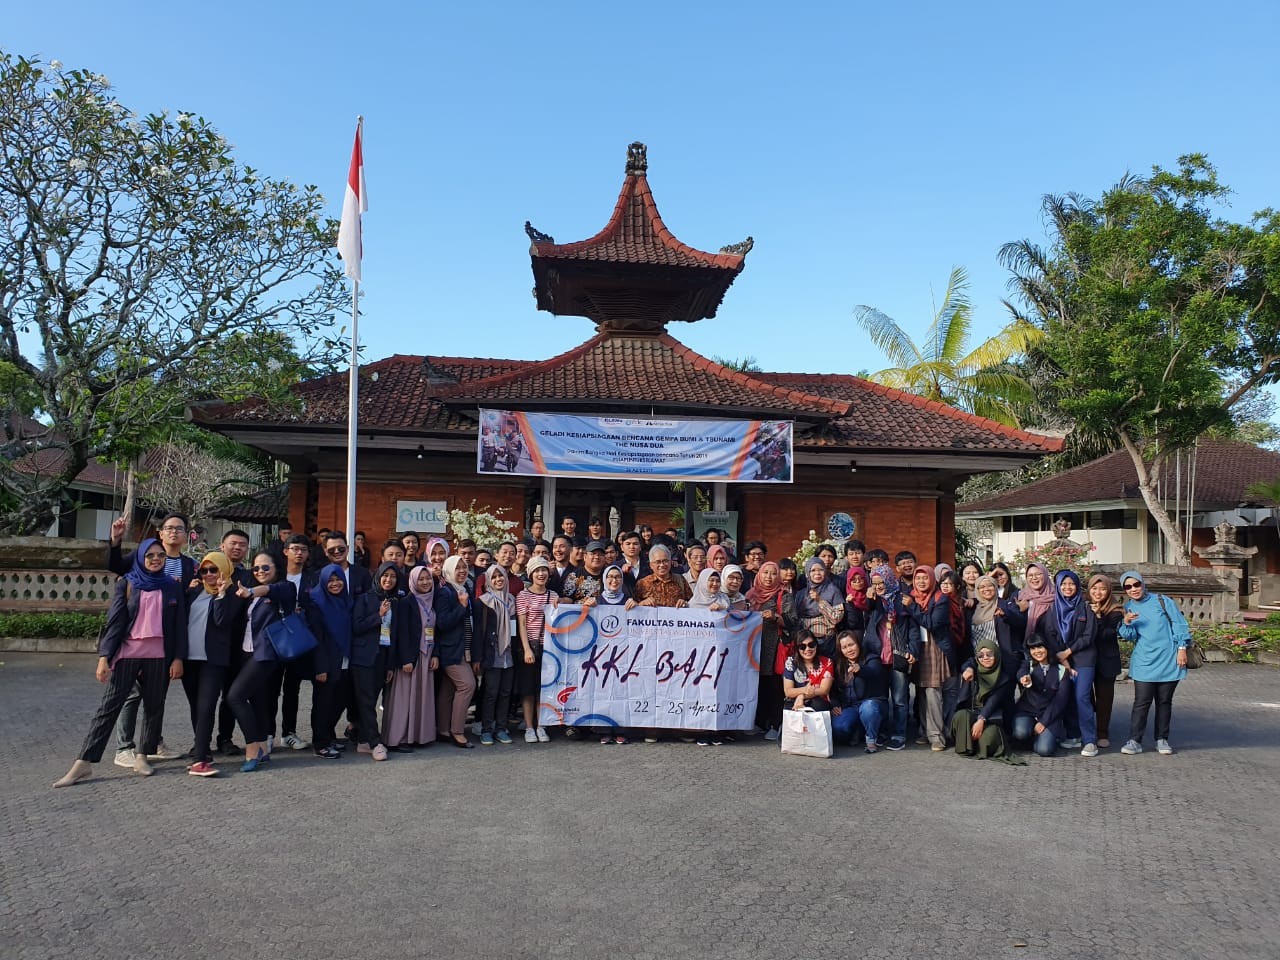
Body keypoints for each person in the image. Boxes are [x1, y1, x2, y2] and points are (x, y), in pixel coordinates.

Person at [54, 539, 187, 787]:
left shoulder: (171, 586)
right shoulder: (128, 583)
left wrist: (178, 657)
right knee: (109, 707)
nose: (156, 559)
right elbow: (115, 621)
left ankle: (142, 756)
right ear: (140, 558)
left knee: (154, 706)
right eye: (150, 556)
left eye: (160, 556)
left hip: (159, 655)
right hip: (128, 652)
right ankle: (84, 762)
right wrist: (104, 658)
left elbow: (179, 625)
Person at [104, 514, 193, 767]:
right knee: (131, 694)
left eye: (179, 528)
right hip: (135, 638)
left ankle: (151, 743)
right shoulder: (145, 555)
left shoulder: (190, 565)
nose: (174, 532)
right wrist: (115, 541)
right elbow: (115, 567)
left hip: (163, 640)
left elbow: (183, 602)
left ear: (186, 535)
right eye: (169, 528)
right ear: (160, 533)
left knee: (156, 697)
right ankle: (124, 747)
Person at [224, 552, 297, 772]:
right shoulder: (250, 594)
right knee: (258, 701)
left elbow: (270, 590)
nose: (260, 572)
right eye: (256, 569)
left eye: (266, 568)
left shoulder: (285, 588)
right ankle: (264, 749)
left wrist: (251, 591)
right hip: (245, 653)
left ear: (277, 568)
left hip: (265, 654)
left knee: (235, 697)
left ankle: (252, 747)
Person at [1118, 571, 1189, 756]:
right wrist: (1125, 623)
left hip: (1169, 658)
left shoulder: (1161, 600)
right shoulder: (1128, 607)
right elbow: (1131, 636)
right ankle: (1134, 740)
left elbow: (1179, 624)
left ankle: (1162, 739)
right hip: (1144, 660)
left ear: (1142, 584)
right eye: (1128, 587)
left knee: (1164, 701)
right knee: (1141, 702)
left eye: (1136, 585)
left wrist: (1182, 648)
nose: (1133, 589)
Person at [181, 551, 238, 777]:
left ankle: (200, 760)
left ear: (224, 570)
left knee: (206, 708)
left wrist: (222, 593)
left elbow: (221, 621)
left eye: (213, 569)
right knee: (196, 707)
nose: (208, 575)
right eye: (204, 570)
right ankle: (202, 749)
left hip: (213, 661)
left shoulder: (233, 594)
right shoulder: (194, 591)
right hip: (189, 659)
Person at [1035, 570, 1098, 756]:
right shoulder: (1053, 609)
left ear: (1077, 586)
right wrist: (1062, 657)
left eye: (1071, 584)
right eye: (1063, 584)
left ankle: (1089, 741)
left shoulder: (1086, 607)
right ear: (1058, 587)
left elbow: (1089, 635)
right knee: (1067, 695)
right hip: (1062, 658)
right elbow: (1050, 635)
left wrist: (1068, 652)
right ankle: (1073, 734)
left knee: (1081, 697)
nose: (1067, 588)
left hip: (1083, 658)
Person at [382, 565, 438, 752]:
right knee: (404, 699)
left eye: (428, 578)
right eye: (420, 579)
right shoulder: (406, 602)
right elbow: (401, 632)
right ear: (413, 581)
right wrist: (406, 659)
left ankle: (418, 735)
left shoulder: (432, 600)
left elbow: (437, 630)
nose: (425, 582)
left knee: (421, 697)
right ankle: (398, 738)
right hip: (411, 658)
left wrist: (435, 653)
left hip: (427, 654)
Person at [863, 564, 920, 751]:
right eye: (875, 583)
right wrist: (869, 598)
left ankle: (899, 735)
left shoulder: (901, 600)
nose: (878, 587)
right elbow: (862, 612)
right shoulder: (874, 601)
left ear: (889, 580)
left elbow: (913, 628)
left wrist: (913, 649)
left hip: (898, 655)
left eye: (881, 583)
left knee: (899, 700)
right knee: (880, 697)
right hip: (878, 657)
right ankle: (883, 731)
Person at [347, 563, 397, 761]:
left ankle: (363, 740)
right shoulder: (365, 599)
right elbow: (356, 626)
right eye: (385, 576)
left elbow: (394, 636)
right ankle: (376, 743)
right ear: (377, 577)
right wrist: (379, 616)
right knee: (367, 701)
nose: (389, 580)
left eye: (393, 576)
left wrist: (390, 664)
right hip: (363, 657)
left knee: (371, 699)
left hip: (382, 657)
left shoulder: (394, 601)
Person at [303, 564, 353, 759]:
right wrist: (320, 667)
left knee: (338, 701)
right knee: (323, 704)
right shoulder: (317, 603)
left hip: (343, 659)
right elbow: (317, 639)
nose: (335, 584)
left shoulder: (345, 601)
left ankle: (329, 737)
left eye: (338, 579)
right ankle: (320, 744)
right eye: (330, 580)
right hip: (325, 661)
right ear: (323, 581)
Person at [906, 565, 953, 752]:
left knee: (933, 692)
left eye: (925, 578)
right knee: (921, 690)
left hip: (934, 647)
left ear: (933, 579)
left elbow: (931, 623)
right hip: (918, 648)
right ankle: (924, 731)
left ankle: (937, 737)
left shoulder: (940, 598)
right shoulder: (911, 595)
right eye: (918, 578)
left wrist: (912, 608)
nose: (921, 582)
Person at [436, 555, 478, 748]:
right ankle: (457, 731)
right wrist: (461, 607)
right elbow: (442, 623)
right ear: (448, 570)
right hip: (451, 650)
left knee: (449, 689)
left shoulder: (464, 588)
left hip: (463, 648)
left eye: (464, 567)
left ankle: (443, 729)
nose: (462, 571)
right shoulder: (445, 592)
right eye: (457, 568)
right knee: (468, 685)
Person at [516, 556, 557, 743]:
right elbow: (522, 624)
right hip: (530, 646)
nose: (541, 574)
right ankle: (529, 727)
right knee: (528, 689)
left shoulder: (554, 595)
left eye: (544, 570)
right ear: (531, 573)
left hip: (548, 647)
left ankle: (542, 725)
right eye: (537, 571)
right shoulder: (523, 595)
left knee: (544, 688)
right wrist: (526, 649)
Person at [951, 639, 1015, 759]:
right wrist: (969, 668)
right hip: (973, 714)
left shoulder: (1005, 678)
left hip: (993, 718)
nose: (985, 658)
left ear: (996, 654)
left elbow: (993, 702)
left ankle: (975, 743)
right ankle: (967, 747)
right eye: (981, 655)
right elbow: (968, 662)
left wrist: (981, 720)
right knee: (961, 715)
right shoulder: (973, 670)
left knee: (988, 740)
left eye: (989, 654)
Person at [475, 565, 518, 746]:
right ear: (488, 581)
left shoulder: (512, 600)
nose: (499, 580)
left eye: (502, 577)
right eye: (494, 577)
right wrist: (477, 658)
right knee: (491, 693)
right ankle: (486, 729)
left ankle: (501, 728)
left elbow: (515, 629)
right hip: (492, 654)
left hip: (509, 655)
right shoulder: (483, 602)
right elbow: (478, 633)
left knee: (505, 693)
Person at [1012, 635, 1074, 757]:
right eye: (1032, 648)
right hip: (1027, 711)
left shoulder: (1062, 670)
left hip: (1049, 714)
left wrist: (1044, 722)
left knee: (1044, 750)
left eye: (1040, 647)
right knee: (1020, 733)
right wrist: (1023, 678)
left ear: (1047, 648)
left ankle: (1047, 737)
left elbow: (1060, 702)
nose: (1037, 651)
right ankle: (1031, 735)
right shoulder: (1028, 665)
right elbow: (1021, 672)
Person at [831, 631, 887, 753]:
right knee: (838, 728)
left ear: (858, 643)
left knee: (869, 708)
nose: (849, 650)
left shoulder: (871, 658)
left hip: (871, 703)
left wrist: (859, 669)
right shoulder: (839, 664)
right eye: (844, 647)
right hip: (851, 707)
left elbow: (874, 671)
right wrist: (835, 704)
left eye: (851, 645)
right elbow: (833, 689)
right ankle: (860, 730)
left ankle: (871, 738)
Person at [1087, 574, 1124, 749]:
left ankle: (1102, 733)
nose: (1098, 592)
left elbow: (1107, 635)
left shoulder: (1115, 610)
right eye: (1094, 588)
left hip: (1106, 660)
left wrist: (1099, 617)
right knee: (1084, 696)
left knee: (1104, 699)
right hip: (1085, 659)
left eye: (1102, 589)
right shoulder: (1084, 607)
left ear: (1108, 590)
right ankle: (1084, 730)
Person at [795, 557, 844, 656]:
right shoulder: (801, 594)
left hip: (826, 642)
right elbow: (796, 618)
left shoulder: (833, 591)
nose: (817, 573)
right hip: (806, 645)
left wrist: (820, 600)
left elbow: (837, 617)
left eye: (821, 570)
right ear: (807, 574)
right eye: (813, 570)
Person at [782, 630, 834, 711]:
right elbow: (788, 691)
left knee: (818, 704)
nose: (808, 649)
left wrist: (801, 696)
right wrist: (804, 691)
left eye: (811, 645)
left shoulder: (827, 662)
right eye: (802, 647)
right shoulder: (791, 662)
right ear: (797, 648)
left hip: (818, 703)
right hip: (795, 703)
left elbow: (824, 690)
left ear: (816, 645)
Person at [634, 544, 692, 608]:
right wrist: (642, 604)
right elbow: (634, 608)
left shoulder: (681, 580)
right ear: (651, 565)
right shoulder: (642, 584)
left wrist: (685, 603)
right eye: (658, 562)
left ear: (670, 562)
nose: (662, 565)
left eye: (665, 561)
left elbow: (692, 603)